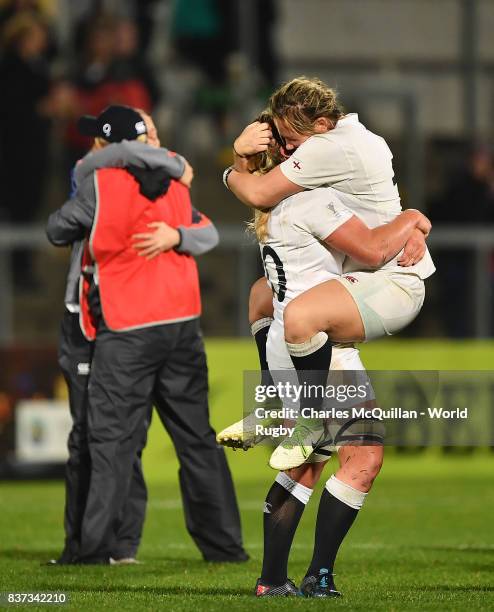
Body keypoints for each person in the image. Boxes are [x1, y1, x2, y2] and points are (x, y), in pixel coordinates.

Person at [221, 133, 431, 597]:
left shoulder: (272, 212)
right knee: (363, 458)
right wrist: (413, 220)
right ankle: (319, 576)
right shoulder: (312, 202)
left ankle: (272, 581)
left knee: (308, 464)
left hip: (287, 341)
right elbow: (373, 249)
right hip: (316, 345)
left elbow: (259, 295)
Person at [47, 105, 248, 564]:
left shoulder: (98, 182)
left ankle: (95, 549)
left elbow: (57, 227)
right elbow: (208, 231)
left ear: (112, 146)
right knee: (197, 439)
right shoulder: (179, 180)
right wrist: (176, 233)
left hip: (126, 327)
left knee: (109, 441)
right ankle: (224, 547)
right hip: (181, 327)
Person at [221, 78, 435, 468]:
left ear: (320, 125)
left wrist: (231, 166)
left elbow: (257, 192)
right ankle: (273, 404)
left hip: (386, 275)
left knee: (300, 316)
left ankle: (311, 422)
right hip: (365, 265)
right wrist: (415, 222)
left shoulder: (327, 149)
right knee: (262, 295)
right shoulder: (342, 143)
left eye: (289, 137)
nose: (285, 149)